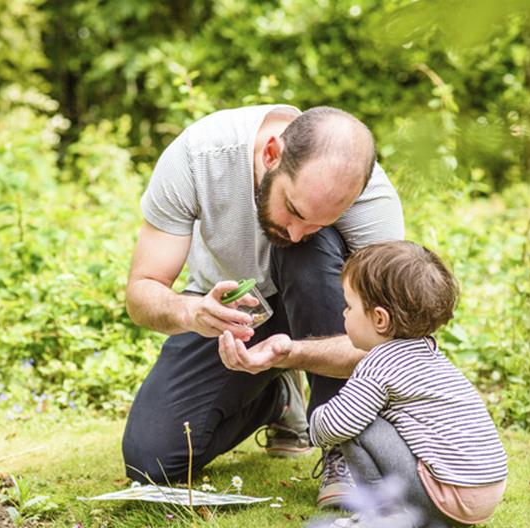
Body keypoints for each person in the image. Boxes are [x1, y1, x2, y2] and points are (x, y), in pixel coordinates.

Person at [121, 104, 404, 508]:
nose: (295, 231)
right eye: (294, 210)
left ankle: (342, 442)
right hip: (230, 315)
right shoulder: (198, 157)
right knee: (151, 462)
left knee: (307, 253)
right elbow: (141, 292)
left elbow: (390, 347)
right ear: (271, 154)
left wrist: (294, 352)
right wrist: (193, 312)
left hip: (326, 314)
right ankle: (278, 400)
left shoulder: (369, 198)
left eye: (320, 220)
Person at [307, 241, 508, 527]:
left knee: (356, 423)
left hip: (449, 497)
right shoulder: (429, 354)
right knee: (363, 415)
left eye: (349, 306)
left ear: (379, 319)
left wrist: (314, 426)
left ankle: (384, 515)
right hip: (481, 495)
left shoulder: (379, 363)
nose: (343, 314)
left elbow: (338, 424)